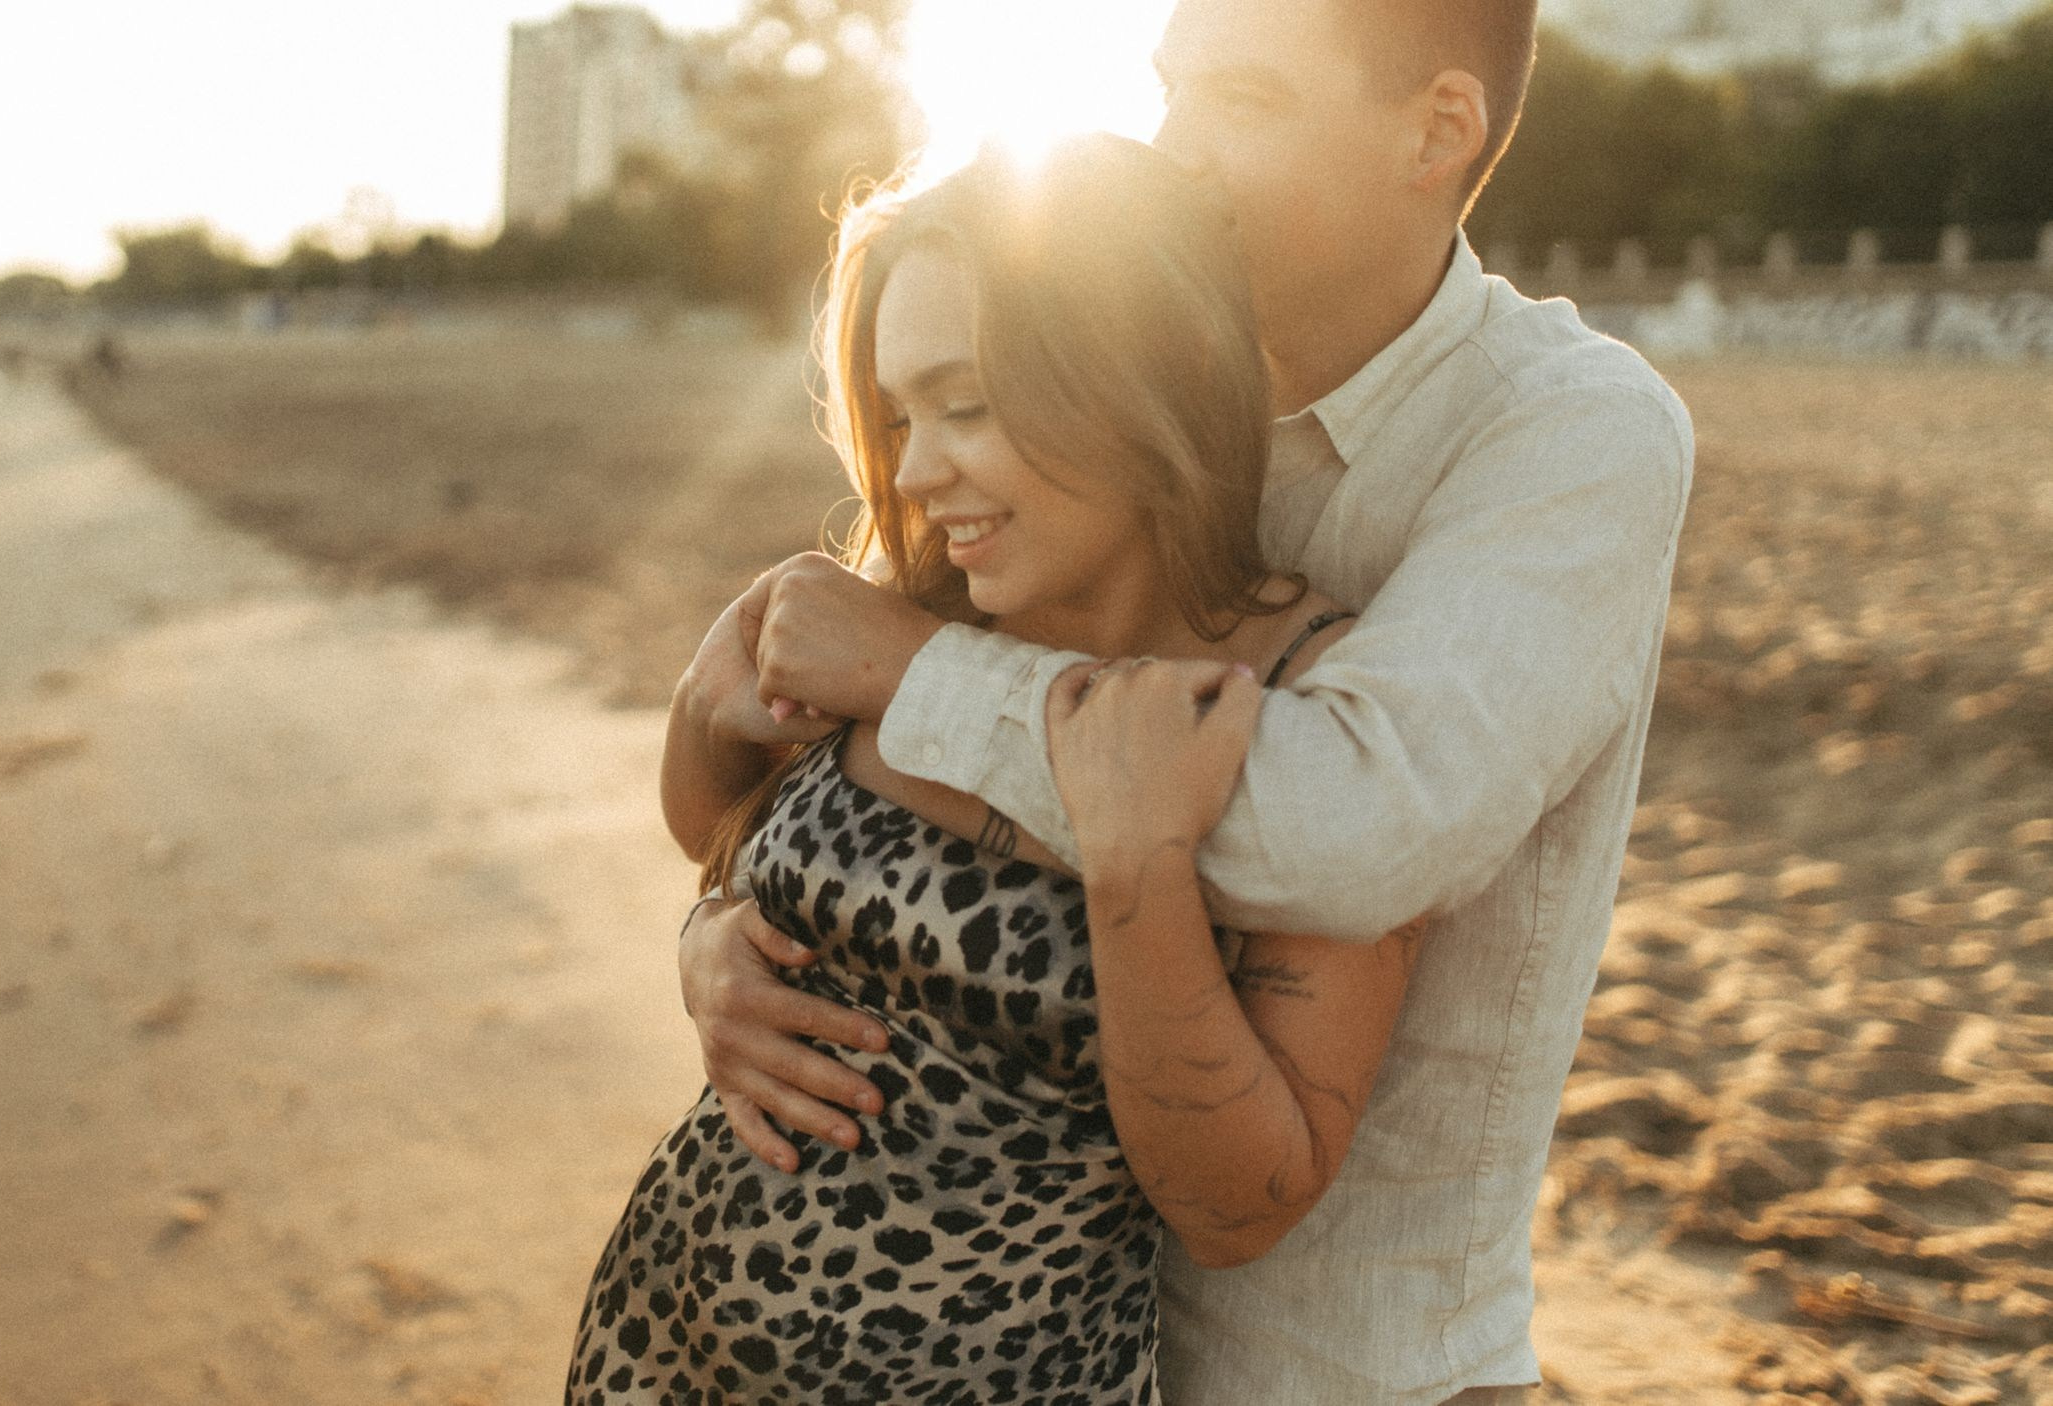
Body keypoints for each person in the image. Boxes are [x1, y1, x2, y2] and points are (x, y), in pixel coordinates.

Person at [672, 2, 1697, 1402]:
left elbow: (1348, 833)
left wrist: (915, 675)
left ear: (1436, 129)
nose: (1180, 150)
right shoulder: (1097, 390)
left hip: (1346, 1371)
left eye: (1245, 101)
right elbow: (823, 792)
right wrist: (727, 937)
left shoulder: (1569, 428)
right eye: (1168, 93)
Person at [569, 135, 1425, 1405]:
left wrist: (1136, 862)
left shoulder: (1305, 701)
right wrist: (706, 920)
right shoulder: (914, 612)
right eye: (902, 412)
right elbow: (719, 825)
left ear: (1143, 371)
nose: (912, 470)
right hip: (663, 1350)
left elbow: (1242, 1203)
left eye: (965, 403)